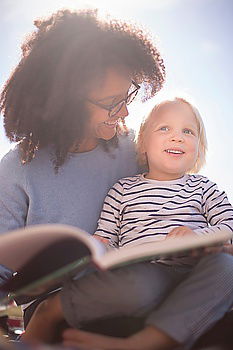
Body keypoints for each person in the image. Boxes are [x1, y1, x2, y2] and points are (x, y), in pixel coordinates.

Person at [21, 98, 233, 349]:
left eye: (188, 131)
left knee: (227, 267)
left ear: (199, 147)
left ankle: (149, 340)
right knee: (137, 285)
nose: (177, 138)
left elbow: (228, 225)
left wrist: (198, 236)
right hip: (145, 273)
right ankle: (51, 310)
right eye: (164, 128)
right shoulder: (123, 189)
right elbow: (105, 238)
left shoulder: (203, 187)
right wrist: (95, 249)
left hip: (196, 272)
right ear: (143, 142)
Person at [0, 8, 165, 296]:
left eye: (127, 95)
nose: (125, 111)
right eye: (111, 102)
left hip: (136, 289)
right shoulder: (18, 167)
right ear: (64, 103)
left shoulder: (137, 148)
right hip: (56, 304)